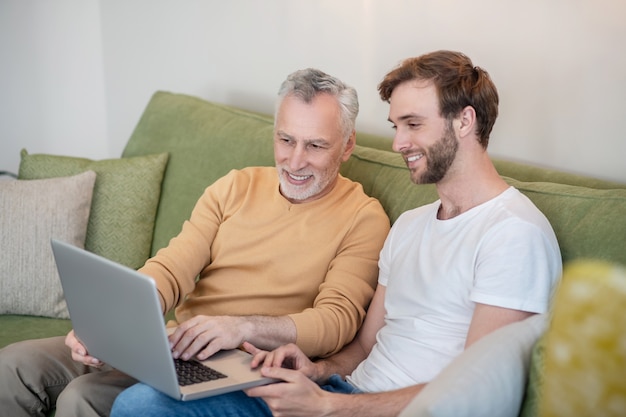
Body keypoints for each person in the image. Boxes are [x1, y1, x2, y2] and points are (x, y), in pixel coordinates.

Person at [110, 50, 562, 417]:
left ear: (464, 122)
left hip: (360, 407)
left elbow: (477, 395)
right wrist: (317, 370)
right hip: (341, 392)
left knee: (140, 406)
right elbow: (365, 344)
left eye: (413, 125)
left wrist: (331, 406)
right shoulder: (410, 226)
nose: (398, 143)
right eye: (396, 126)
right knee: (143, 402)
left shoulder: (513, 234)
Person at [0, 68, 391, 417]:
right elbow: (172, 267)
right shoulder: (235, 185)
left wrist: (239, 328)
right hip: (170, 342)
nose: (295, 160)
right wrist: (116, 321)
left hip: (237, 363)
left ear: (348, 145)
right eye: (286, 140)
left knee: (82, 397)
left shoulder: (363, 218)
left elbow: (335, 322)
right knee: (13, 365)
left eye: (316, 145)